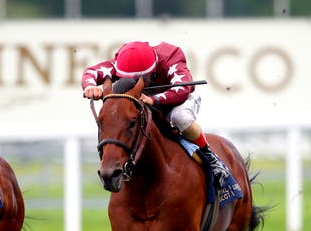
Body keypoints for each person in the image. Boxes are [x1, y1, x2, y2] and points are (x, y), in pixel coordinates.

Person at [81, 41, 230, 186]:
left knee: (181, 117)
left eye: (140, 79)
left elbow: (183, 90)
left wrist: (154, 99)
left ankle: (211, 157)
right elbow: (91, 72)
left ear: (152, 72)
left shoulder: (171, 57)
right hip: (142, 99)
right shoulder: (124, 60)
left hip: (176, 98)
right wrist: (90, 86)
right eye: (129, 78)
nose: (134, 82)